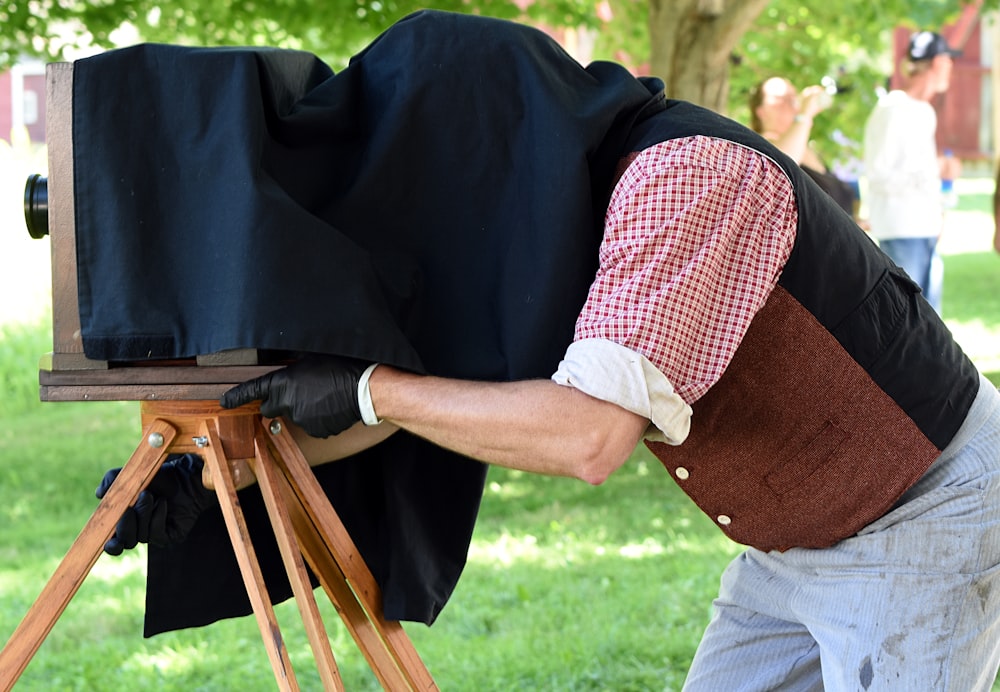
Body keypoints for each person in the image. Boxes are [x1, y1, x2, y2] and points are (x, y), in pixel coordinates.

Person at [84, 11, 1000, 690]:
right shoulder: (546, 209)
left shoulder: (686, 179)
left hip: (918, 517)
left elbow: (585, 436)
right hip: (792, 542)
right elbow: (398, 405)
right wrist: (209, 470)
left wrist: (371, 390)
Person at [863, 30, 962, 313]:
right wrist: (934, 169)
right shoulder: (893, 109)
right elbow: (879, 176)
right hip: (901, 230)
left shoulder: (923, 111)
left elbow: (921, 177)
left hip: (926, 229)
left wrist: (942, 193)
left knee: (931, 326)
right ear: (935, 63)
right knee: (907, 323)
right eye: (947, 61)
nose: (951, 69)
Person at [749, 76, 858, 218]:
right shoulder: (761, 147)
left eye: (793, 97)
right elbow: (782, 167)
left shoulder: (809, 148)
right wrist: (805, 114)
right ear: (761, 112)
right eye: (781, 99)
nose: (791, 104)